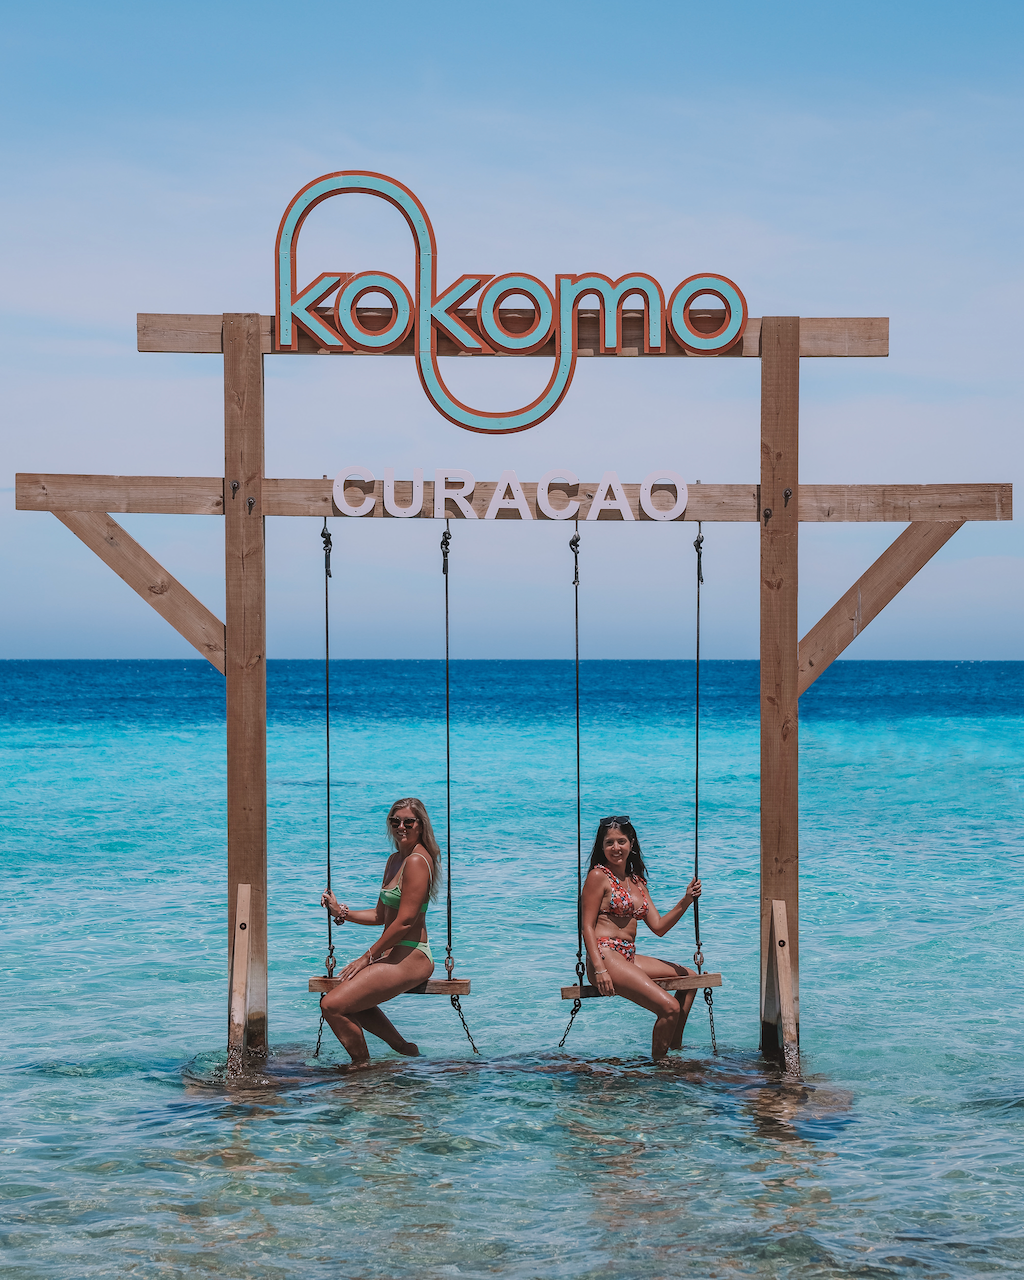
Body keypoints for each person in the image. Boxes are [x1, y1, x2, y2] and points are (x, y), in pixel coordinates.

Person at [318, 797, 440, 1065]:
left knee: (331, 1005)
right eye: (395, 821)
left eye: (409, 821)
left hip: (413, 956)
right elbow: (381, 915)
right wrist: (341, 912)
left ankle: (362, 1068)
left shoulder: (418, 861)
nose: (401, 827)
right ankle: (404, 1049)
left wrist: (367, 957)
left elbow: (406, 922)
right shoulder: (395, 860)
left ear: (421, 825)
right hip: (394, 955)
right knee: (345, 1000)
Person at [581, 814, 702, 1059]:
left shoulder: (637, 882)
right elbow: (586, 926)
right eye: (609, 843)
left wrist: (686, 900)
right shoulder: (598, 876)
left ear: (631, 843)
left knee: (691, 979)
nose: (616, 848)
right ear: (601, 847)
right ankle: (660, 1065)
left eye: (621, 841)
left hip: (627, 956)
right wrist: (599, 968)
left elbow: (658, 927)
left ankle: (673, 1048)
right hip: (604, 956)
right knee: (669, 1007)